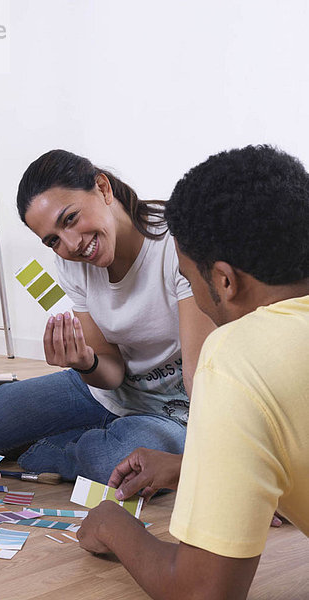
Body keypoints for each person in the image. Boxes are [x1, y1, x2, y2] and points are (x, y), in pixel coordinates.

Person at [77, 145, 309, 599]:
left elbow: (201, 592)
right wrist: (191, 467)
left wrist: (112, 526)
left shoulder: (237, 356)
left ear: (224, 280)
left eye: (188, 278)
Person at [0, 149, 214, 484]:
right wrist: (86, 362)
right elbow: (112, 372)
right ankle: (84, 439)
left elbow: (201, 378)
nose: (73, 245)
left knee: (117, 461)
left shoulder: (177, 242)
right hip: (106, 395)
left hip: (174, 413)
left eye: (70, 219)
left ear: (103, 188)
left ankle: (44, 451)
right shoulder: (72, 264)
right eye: (53, 240)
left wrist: (230, 468)